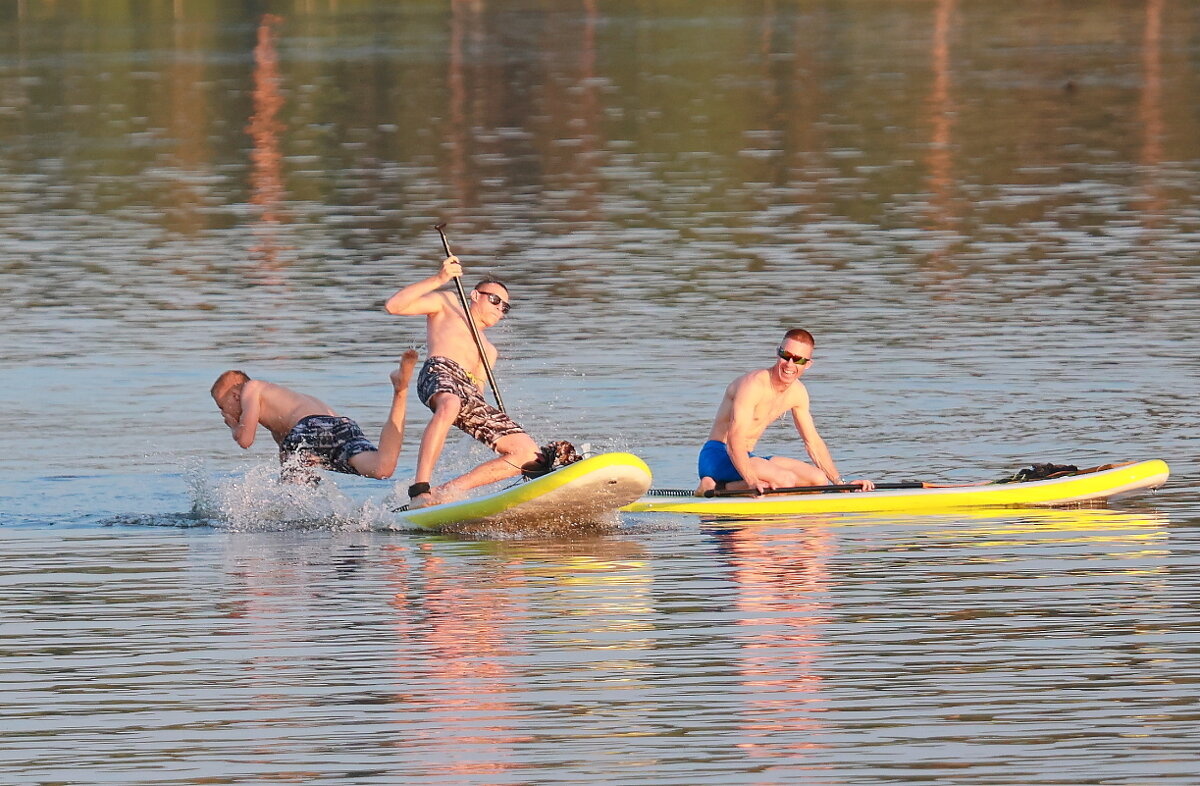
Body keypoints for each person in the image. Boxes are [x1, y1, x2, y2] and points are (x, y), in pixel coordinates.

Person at [384, 256, 542, 507]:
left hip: (466, 392)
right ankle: (420, 489)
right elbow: (394, 306)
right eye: (494, 300)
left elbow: (476, 398)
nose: (499, 308)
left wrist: (495, 428)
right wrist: (440, 279)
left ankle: (445, 492)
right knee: (450, 404)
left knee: (529, 453)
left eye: (505, 307)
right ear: (474, 295)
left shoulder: (489, 351)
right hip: (440, 371)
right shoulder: (447, 303)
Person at [696, 329, 875, 496]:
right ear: (778, 353)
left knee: (818, 480)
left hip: (749, 457)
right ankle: (714, 487)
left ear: (808, 364)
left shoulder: (798, 393)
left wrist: (840, 483)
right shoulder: (753, 385)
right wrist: (752, 481)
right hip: (719, 455)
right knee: (785, 480)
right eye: (786, 355)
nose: (790, 364)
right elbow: (734, 439)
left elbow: (812, 442)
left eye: (798, 359)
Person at [210, 350, 418, 484]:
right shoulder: (282, 418)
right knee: (381, 468)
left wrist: (233, 426)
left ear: (236, 395)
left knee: (290, 501)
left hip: (310, 427)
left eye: (222, 405)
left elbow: (246, 440)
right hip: (338, 424)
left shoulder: (251, 388)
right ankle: (400, 390)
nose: (223, 413)